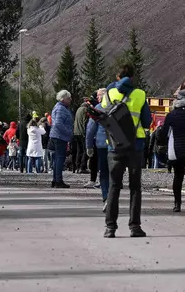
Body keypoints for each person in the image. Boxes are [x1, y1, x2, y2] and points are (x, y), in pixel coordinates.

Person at [103, 63, 152, 239]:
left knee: (114, 186)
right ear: (132, 77)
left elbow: (102, 119)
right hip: (135, 146)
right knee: (135, 188)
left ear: (117, 77)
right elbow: (147, 122)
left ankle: (110, 228)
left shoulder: (108, 94)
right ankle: (135, 227)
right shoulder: (140, 94)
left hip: (114, 146)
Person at [84, 88, 111, 208]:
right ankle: (113, 196)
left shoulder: (98, 109)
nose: (97, 97)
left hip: (102, 144)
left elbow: (90, 129)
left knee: (104, 172)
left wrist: (89, 146)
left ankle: (106, 197)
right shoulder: (117, 107)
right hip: (116, 144)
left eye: (99, 96)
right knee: (114, 172)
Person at [49, 90, 74, 188]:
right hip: (60, 137)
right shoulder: (61, 109)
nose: (70, 100)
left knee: (57, 159)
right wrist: (69, 133)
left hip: (57, 136)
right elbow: (58, 123)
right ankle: (58, 180)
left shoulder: (59, 107)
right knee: (60, 158)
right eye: (69, 98)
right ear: (63, 99)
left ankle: (55, 180)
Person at [73, 97, 91, 174]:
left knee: (79, 150)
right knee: (85, 150)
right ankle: (83, 167)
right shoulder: (85, 110)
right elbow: (85, 122)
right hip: (82, 132)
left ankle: (77, 166)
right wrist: (85, 133)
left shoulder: (78, 109)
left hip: (76, 132)